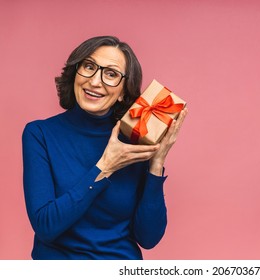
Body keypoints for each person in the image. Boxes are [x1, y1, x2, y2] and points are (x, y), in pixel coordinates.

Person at [22, 35, 188, 260]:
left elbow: (148, 238)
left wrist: (156, 163)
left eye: (111, 74)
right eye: (89, 66)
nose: (95, 81)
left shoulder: (134, 141)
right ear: (75, 74)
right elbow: (45, 226)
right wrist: (105, 166)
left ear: (123, 92)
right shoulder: (39, 134)